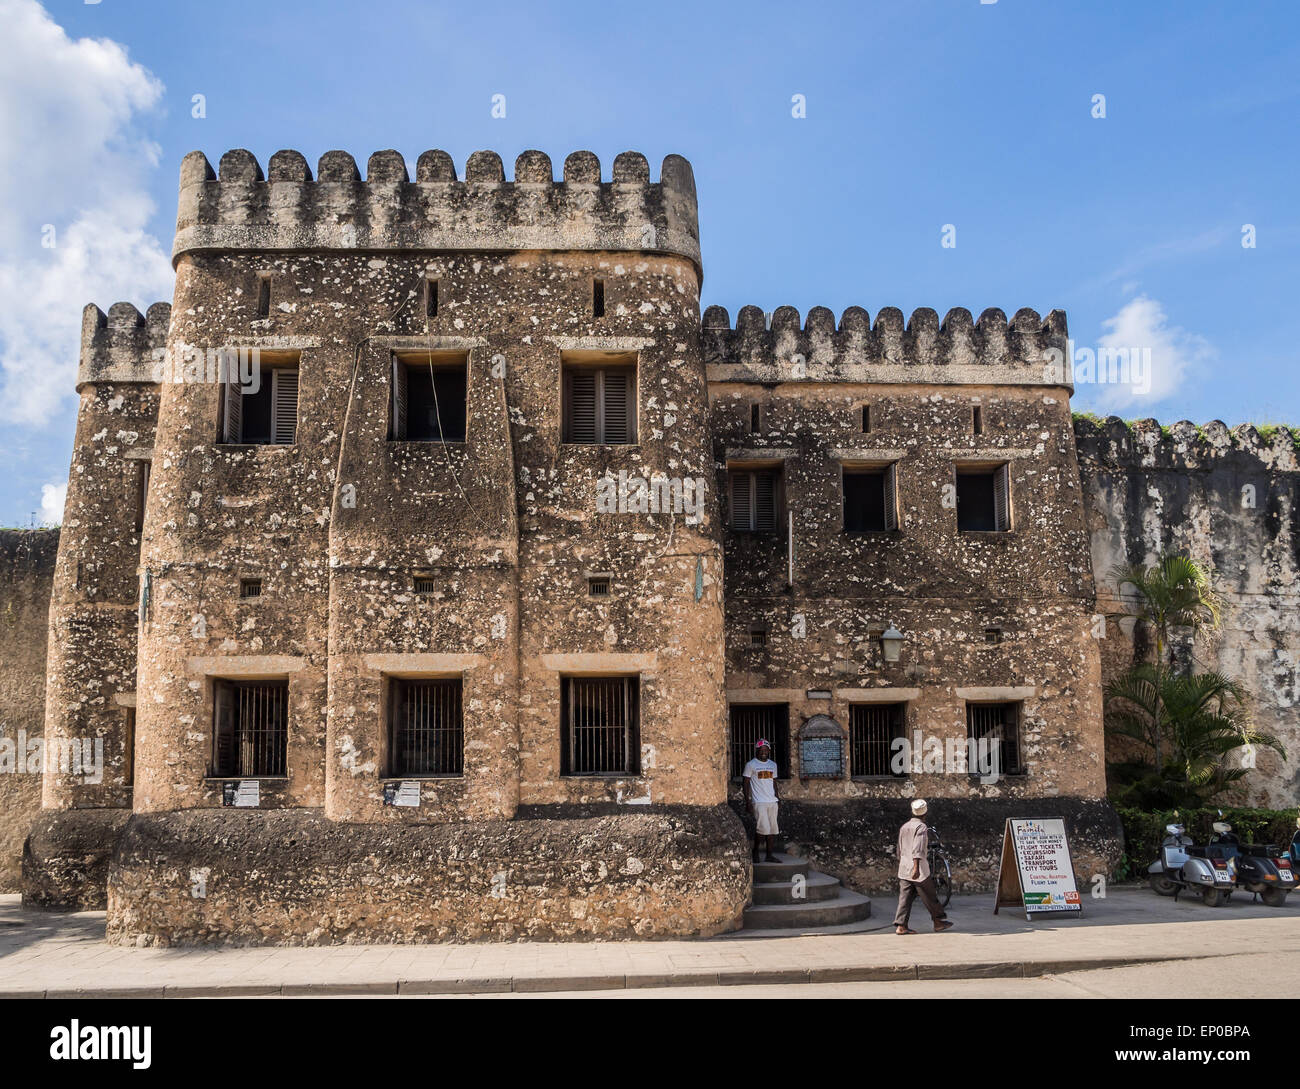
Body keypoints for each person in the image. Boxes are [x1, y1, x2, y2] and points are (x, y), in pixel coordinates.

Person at [895, 799, 955, 935]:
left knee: (905, 897)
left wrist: (902, 862)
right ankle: (938, 922)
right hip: (918, 868)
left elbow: (899, 848)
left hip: (904, 866)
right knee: (929, 895)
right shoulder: (921, 827)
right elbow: (918, 848)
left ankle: (901, 925)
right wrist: (916, 867)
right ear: (925, 813)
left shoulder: (904, 826)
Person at [742, 739, 781, 863]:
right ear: (757, 751)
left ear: (769, 751)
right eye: (761, 750)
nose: (764, 752)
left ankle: (769, 855)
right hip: (759, 802)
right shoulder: (751, 765)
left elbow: (774, 783)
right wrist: (748, 801)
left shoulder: (773, 765)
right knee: (762, 828)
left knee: (772, 829)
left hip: (772, 801)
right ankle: (755, 852)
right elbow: (746, 783)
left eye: (766, 750)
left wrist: (777, 798)